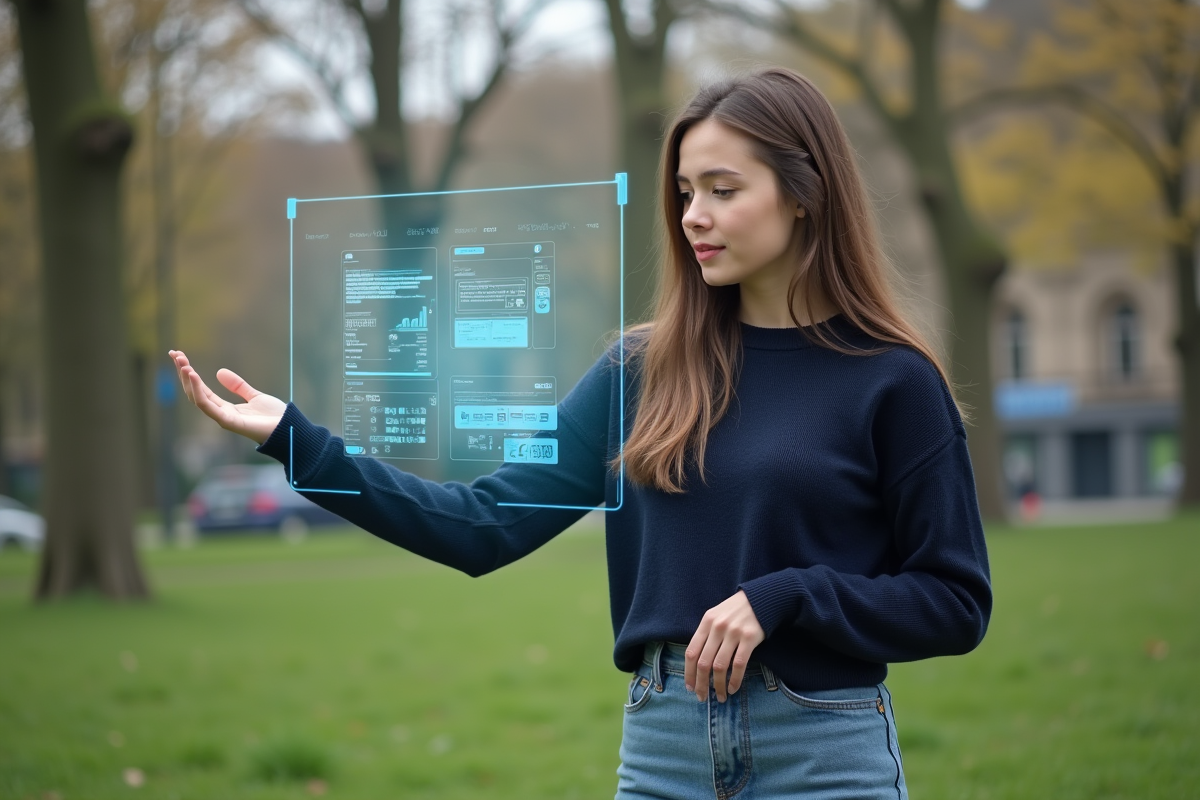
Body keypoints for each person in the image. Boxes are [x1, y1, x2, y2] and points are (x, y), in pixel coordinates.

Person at [171, 67, 991, 800]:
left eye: (722, 190)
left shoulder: (892, 380)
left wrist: (791, 595)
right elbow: (483, 523)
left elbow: (955, 601)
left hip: (822, 753)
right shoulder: (638, 372)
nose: (694, 217)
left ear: (805, 193)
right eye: (684, 192)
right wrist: (296, 441)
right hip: (665, 754)